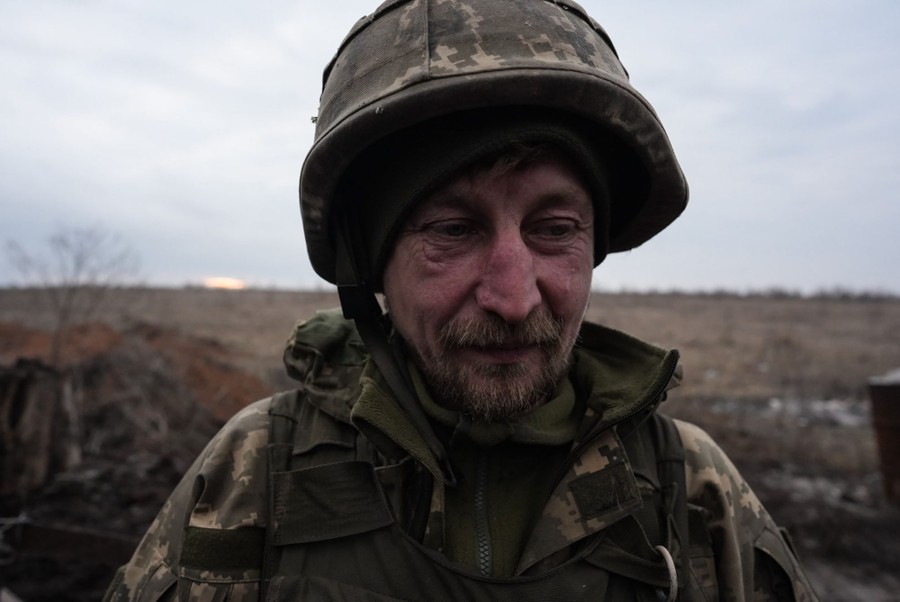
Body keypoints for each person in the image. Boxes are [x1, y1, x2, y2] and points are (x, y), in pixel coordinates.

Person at [105, 1, 818, 600]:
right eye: (452, 229)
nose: (514, 297)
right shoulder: (254, 471)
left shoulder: (689, 492)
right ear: (372, 263)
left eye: (555, 229)